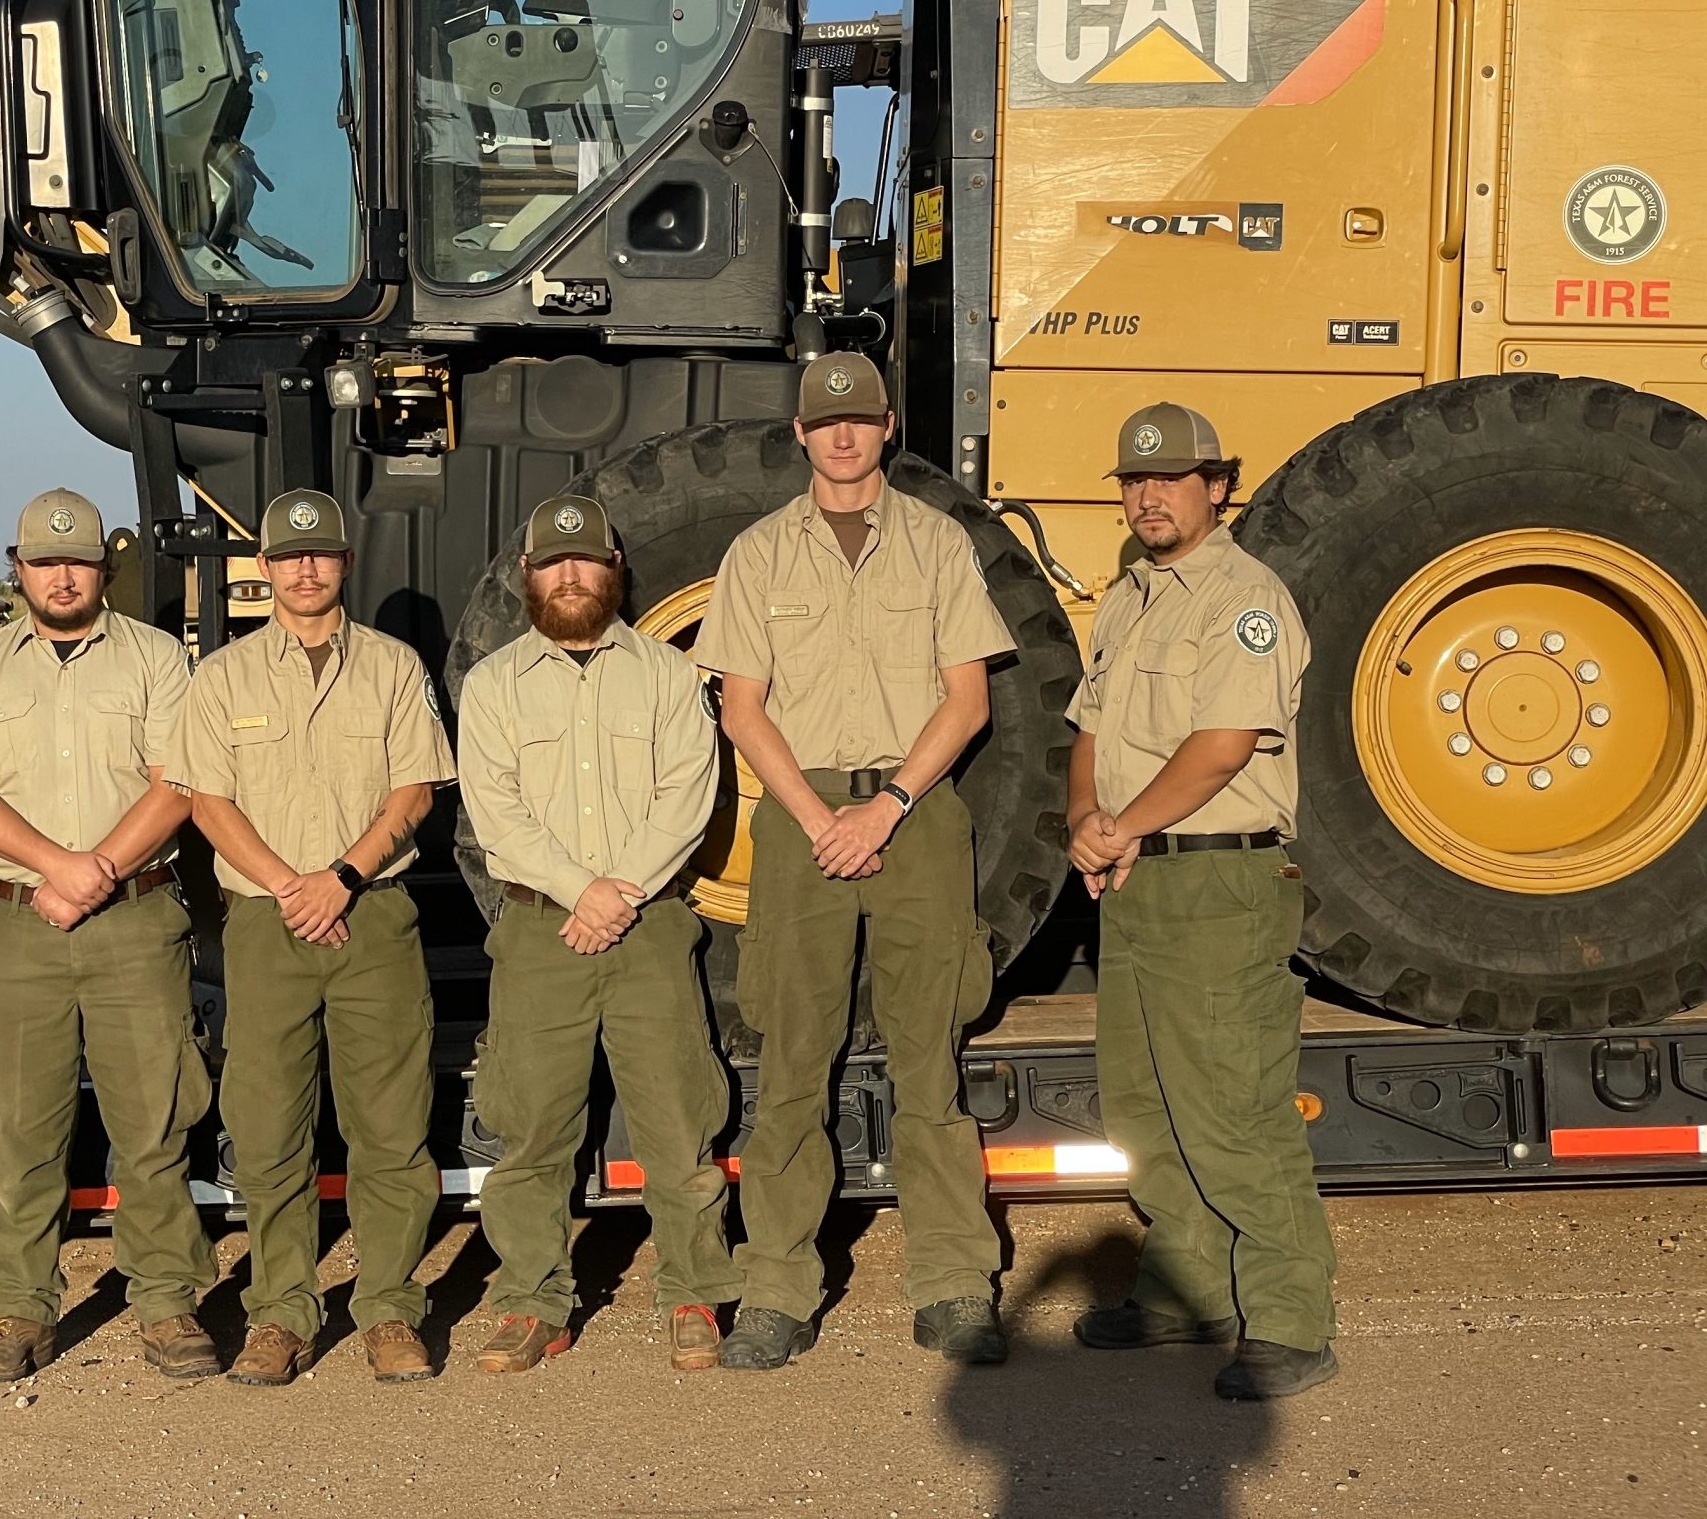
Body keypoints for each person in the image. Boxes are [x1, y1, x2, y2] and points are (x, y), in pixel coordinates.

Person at [695, 351, 1017, 1370]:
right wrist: (818, 814)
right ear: (798, 434)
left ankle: (956, 1285)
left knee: (931, 1064)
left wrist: (883, 807)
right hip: (799, 819)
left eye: (859, 420)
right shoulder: (758, 554)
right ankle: (777, 1289)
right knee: (791, 1066)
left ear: (885, 429)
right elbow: (739, 708)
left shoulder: (935, 545)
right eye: (823, 421)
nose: (841, 436)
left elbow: (967, 699)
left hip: (914, 816)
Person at [1066, 401, 1338, 1399]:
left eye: (1170, 479)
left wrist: (1120, 824)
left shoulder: (1244, 598)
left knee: (1233, 1110)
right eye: (1134, 481)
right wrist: (1083, 822)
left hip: (1220, 877)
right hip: (1136, 875)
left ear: (1216, 488)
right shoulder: (1130, 596)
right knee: (1144, 1107)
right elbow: (1088, 725)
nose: (1148, 495)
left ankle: (1288, 1317)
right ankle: (1188, 1292)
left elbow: (1224, 745)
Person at [0, 488, 219, 1384]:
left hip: (136, 918)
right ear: (17, 566)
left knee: (156, 1122)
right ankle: (20, 1309)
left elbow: (181, 783)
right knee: (20, 1125)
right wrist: (60, 868)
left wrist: (94, 873)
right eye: (44, 560)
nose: (62, 576)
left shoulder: (159, 660)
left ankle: (168, 1305)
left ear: (106, 569)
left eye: (80, 561)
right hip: (23, 927)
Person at [169, 489, 456, 1387]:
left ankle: (388, 1311)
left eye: (320, 554)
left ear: (343, 563)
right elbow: (207, 802)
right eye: (288, 555)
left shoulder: (394, 668)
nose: (304, 568)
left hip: (369, 913)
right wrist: (289, 884)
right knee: (269, 1130)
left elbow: (414, 791)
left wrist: (340, 878)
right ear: (264, 566)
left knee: (390, 1127)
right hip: (266, 921)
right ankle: (281, 1314)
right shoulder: (221, 678)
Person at [458, 494, 737, 1373]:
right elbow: (495, 814)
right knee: (532, 1132)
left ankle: (694, 1291)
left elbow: (688, 798)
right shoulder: (491, 685)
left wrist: (618, 897)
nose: (572, 575)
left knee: (678, 1127)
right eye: (554, 562)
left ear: (615, 568)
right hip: (542, 933)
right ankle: (531, 1301)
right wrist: (585, 893)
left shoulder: (667, 673)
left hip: (651, 928)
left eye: (588, 560)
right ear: (527, 577)